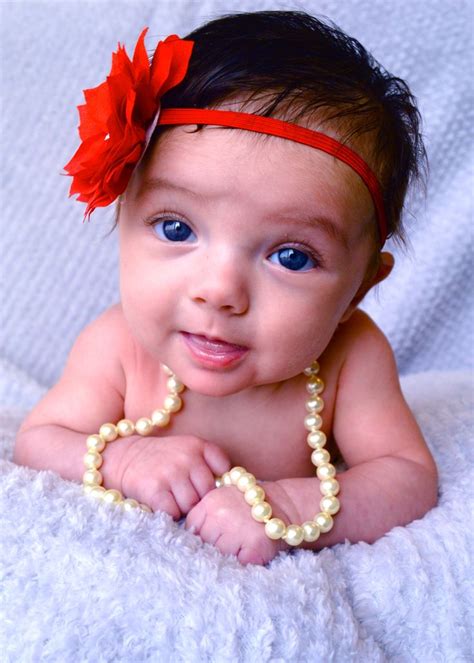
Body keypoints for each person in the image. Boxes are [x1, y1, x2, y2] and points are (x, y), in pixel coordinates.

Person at [13, 10, 438, 566]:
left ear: (358, 290)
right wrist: (122, 459)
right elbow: (39, 441)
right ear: (124, 216)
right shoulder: (117, 346)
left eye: (291, 256)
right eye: (176, 228)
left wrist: (287, 503)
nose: (219, 292)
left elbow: (407, 478)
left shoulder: (351, 359)